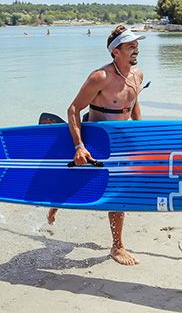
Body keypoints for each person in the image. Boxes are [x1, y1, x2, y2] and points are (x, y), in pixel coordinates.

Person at [47, 25, 145, 266]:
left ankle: (117, 246)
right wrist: (79, 145)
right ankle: (55, 203)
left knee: (117, 189)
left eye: (136, 44)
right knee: (76, 181)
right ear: (115, 52)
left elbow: (133, 103)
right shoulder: (99, 77)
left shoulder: (137, 75)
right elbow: (73, 109)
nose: (136, 48)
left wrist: (141, 133)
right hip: (95, 137)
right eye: (130, 45)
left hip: (119, 140)